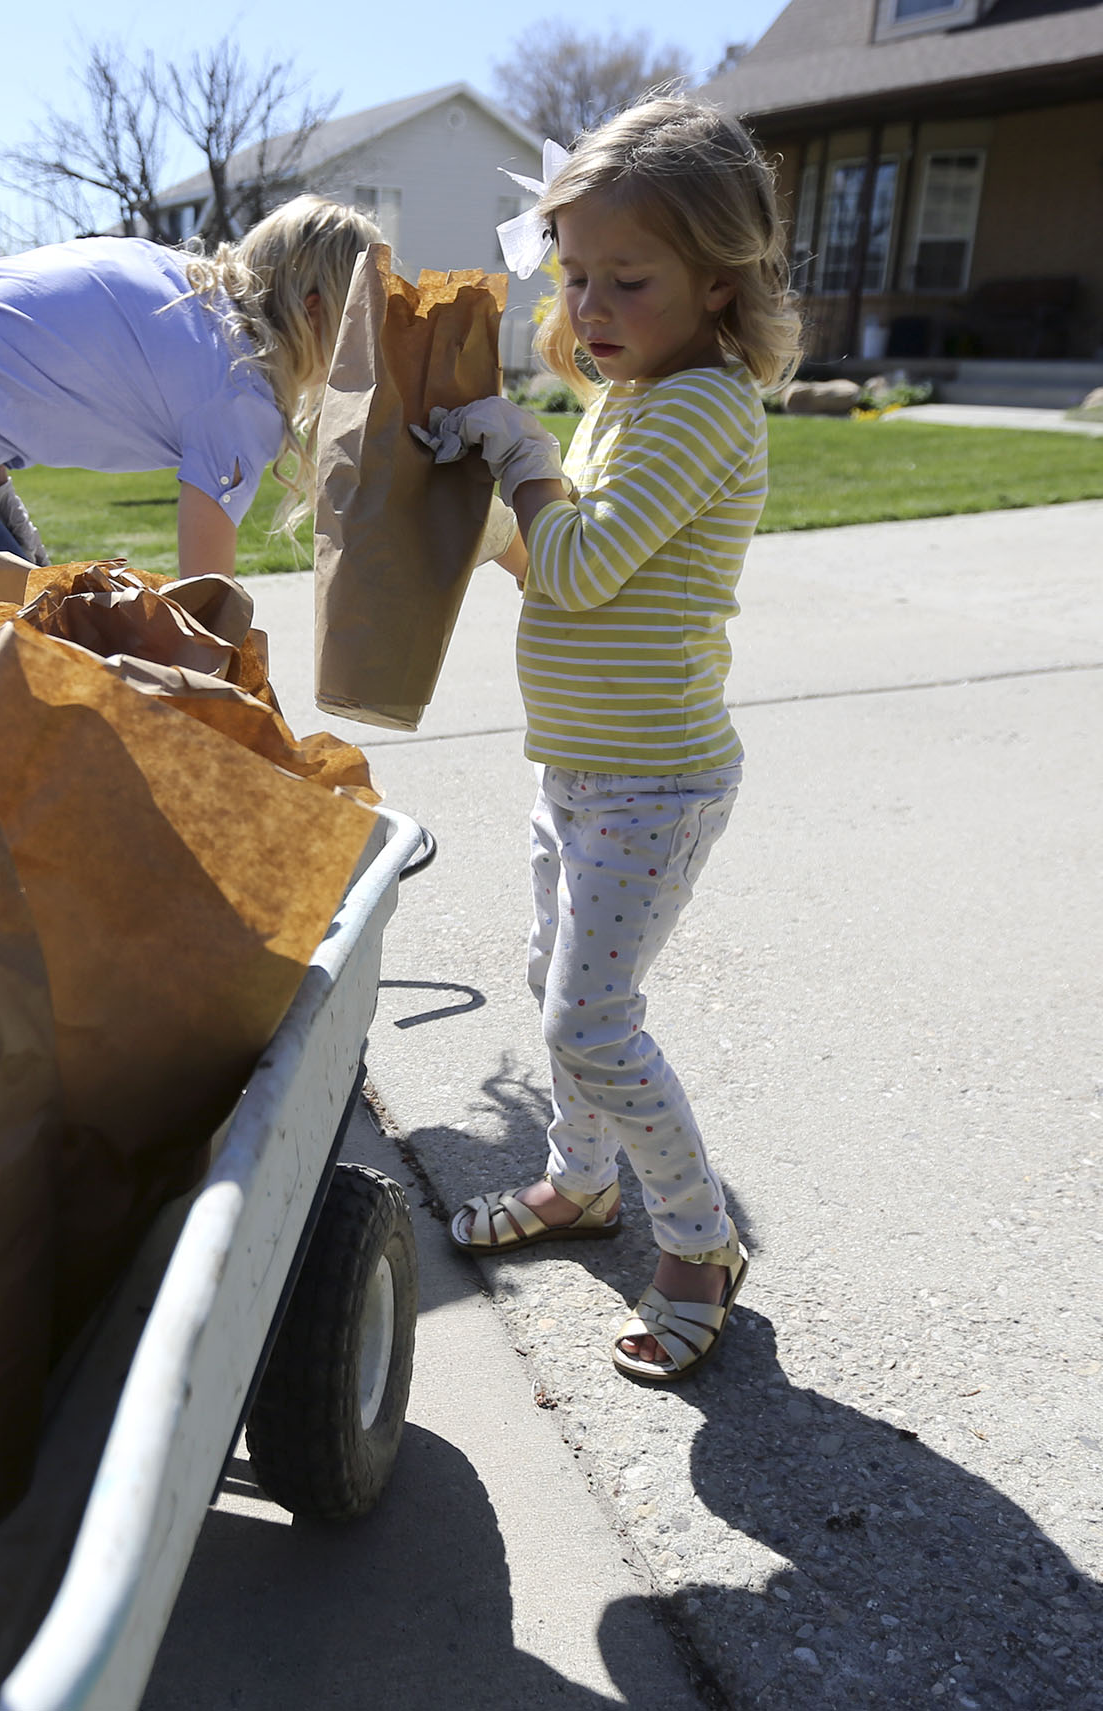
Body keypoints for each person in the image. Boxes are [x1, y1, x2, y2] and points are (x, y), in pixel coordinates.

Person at [432, 95, 802, 1381]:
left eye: (626, 278)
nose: (589, 304)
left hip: (655, 778)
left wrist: (523, 459)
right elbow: (555, 565)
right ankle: (580, 1183)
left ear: (717, 281)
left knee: (593, 1022)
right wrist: (477, 503)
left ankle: (699, 1241)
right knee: (556, 989)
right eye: (575, 272)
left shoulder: (701, 406)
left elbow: (577, 564)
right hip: (580, 765)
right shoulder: (629, 399)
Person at [0, 196, 383, 575]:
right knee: (26, 668)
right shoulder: (239, 389)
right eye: (365, 322)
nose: (369, 347)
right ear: (314, 310)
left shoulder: (164, 271)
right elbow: (206, 596)